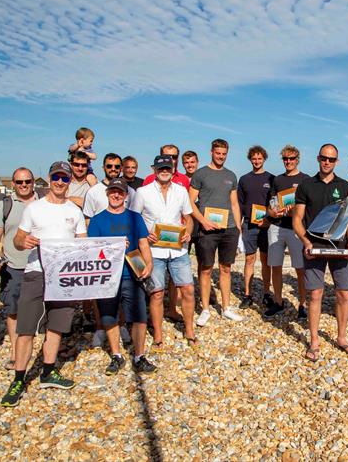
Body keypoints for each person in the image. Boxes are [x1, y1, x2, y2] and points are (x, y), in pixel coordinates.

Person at [0, 161, 87, 407]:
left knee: (57, 324)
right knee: (26, 328)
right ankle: (19, 378)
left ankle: (48, 371)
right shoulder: (34, 208)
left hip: (64, 275)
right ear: (49, 179)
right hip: (36, 272)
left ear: (70, 181)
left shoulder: (74, 211)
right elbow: (17, 239)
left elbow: (83, 242)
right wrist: (23, 241)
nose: (60, 182)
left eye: (65, 178)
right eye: (57, 177)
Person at [293, 143, 348, 361]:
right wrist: (305, 241)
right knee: (315, 294)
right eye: (324, 158)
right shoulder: (305, 185)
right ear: (318, 159)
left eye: (331, 159)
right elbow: (297, 219)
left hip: (339, 247)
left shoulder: (346, 186)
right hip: (313, 247)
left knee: (344, 293)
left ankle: (341, 337)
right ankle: (313, 340)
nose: (327, 162)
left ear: (337, 161)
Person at [88, 178, 156, 374]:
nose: (116, 195)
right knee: (109, 316)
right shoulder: (97, 220)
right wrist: (113, 246)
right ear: (107, 193)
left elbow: (143, 243)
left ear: (126, 196)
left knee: (139, 317)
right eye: (112, 191)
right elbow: (92, 250)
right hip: (108, 276)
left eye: (120, 192)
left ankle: (139, 355)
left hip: (131, 274)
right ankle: (117, 355)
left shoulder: (135, 217)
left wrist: (149, 263)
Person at [131, 155, 197, 348]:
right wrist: (144, 234)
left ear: (173, 169)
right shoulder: (142, 192)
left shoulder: (181, 191)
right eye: (161, 168)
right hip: (154, 251)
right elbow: (135, 218)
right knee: (157, 293)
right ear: (154, 170)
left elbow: (188, 218)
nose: (164, 171)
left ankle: (190, 331)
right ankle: (158, 335)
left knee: (188, 290)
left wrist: (188, 232)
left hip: (178, 250)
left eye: (168, 168)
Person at [189, 138, 243, 326]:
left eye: (224, 154)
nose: (221, 157)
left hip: (228, 229)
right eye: (218, 153)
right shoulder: (200, 174)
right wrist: (203, 221)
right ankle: (204, 309)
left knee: (226, 268)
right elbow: (190, 202)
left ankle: (226, 307)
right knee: (205, 269)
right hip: (208, 229)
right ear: (211, 152)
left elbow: (234, 203)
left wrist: (238, 227)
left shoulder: (231, 175)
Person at [0, 167, 38, 370]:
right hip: (13, 265)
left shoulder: (43, 203)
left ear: (33, 182)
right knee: (13, 310)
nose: (24, 185)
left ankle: (37, 351)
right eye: (19, 182)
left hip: (40, 265)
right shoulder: (4, 205)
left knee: (39, 310)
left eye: (27, 181)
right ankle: (15, 353)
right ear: (13, 183)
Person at [267, 144, 309, 319]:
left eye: (291, 158)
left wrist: (295, 211)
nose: (288, 162)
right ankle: (278, 301)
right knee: (275, 266)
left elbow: (308, 207)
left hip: (296, 229)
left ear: (297, 159)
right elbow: (270, 205)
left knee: (300, 269)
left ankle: (303, 304)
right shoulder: (277, 180)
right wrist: (272, 212)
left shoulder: (305, 179)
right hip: (277, 226)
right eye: (285, 159)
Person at [237, 145, 275, 311]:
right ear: (250, 159)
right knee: (249, 259)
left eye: (260, 158)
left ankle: (267, 293)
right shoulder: (244, 179)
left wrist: (268, 219)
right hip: (249, 224)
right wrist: (238, 223)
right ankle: (247, 294)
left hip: (266, 225)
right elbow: (239, 203)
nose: (257, 161)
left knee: (266, 261)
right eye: (254, 158)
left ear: (264, 159)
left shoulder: (272, 179)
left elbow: (274, 203)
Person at [83, 153, 136, 224]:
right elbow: (88, 219)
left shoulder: (131, 192)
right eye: (109, 166)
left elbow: (134, 218)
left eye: (117, 166)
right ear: (103, 167)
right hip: (101, 234)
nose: (113, 169)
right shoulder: (93, 192)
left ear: (121, 168)